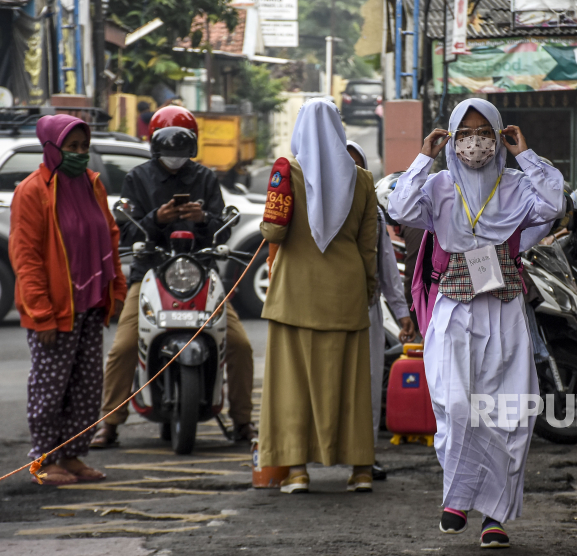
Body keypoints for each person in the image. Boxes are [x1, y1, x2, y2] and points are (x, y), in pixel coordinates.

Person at [388, 98, 565, 549]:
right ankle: (458, 494)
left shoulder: (517, 184)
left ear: (499, 134)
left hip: (504, 308)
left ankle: (494, 516)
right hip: (454, 308)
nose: (474, 141)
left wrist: (524, 154)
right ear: (451, 137)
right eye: (463, 132)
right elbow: (401, 210)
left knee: (509, 410)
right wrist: (423, 157)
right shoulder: (439, 185)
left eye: (483, 131)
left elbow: (553, 204)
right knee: (455, 404)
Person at [91, 106, 256, 448]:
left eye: (182, 148)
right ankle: (109, 424)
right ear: (155, 145)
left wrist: (203, 218)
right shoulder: (138, 178)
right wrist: (157, 218)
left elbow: (220, 232)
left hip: (200, 270)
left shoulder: (206, 178)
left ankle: (243, 422)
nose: (175, 156)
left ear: (192, 146)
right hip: (150, 270)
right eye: (168, 148)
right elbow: (124, 230)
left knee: (239, 344)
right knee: (123, 347)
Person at [258, 99, 378, 494]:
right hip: (345, 296)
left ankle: (297, 472)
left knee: (292, 387)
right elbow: (368, 247)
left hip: (294, 296)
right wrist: (369, 291)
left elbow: (274, 233)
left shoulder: (287, 173)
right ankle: (360, 471)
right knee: (352, 387)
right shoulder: (361, 179)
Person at [10, 115, 128, 484]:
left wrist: (117, 289)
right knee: (50, 389)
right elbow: (26, 258)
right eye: (70, 147)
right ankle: (45, 460)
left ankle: (74, 455)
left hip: (91, 305)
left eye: (83, 147)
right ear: (51, 148)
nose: (79, 154)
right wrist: (41, 313)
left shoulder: (93, 185)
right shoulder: (32, 192)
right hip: (55, 310)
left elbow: (109, 238)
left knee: (86, 387)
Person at [346, 139, 416, 481]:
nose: (350, 171)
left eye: (357, 165)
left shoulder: (371, 210)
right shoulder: (312, 206)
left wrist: (402, 313)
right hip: (324, 312)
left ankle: (364, 455)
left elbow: (387, 266)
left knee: (369, 384)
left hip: (367, 309)